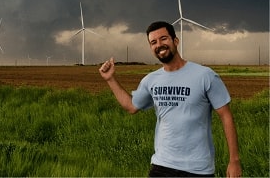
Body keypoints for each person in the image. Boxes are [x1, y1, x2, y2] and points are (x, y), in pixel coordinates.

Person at [99, 21, 242, 177]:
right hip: (161, 166)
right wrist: (110, 79)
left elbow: (226, 116)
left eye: (164, 39)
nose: (159, 44)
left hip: (198, 170)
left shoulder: (205, 76)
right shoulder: (151, 80)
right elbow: (131, 107)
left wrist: (234, 161)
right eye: (153, 42)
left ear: (176, 41)